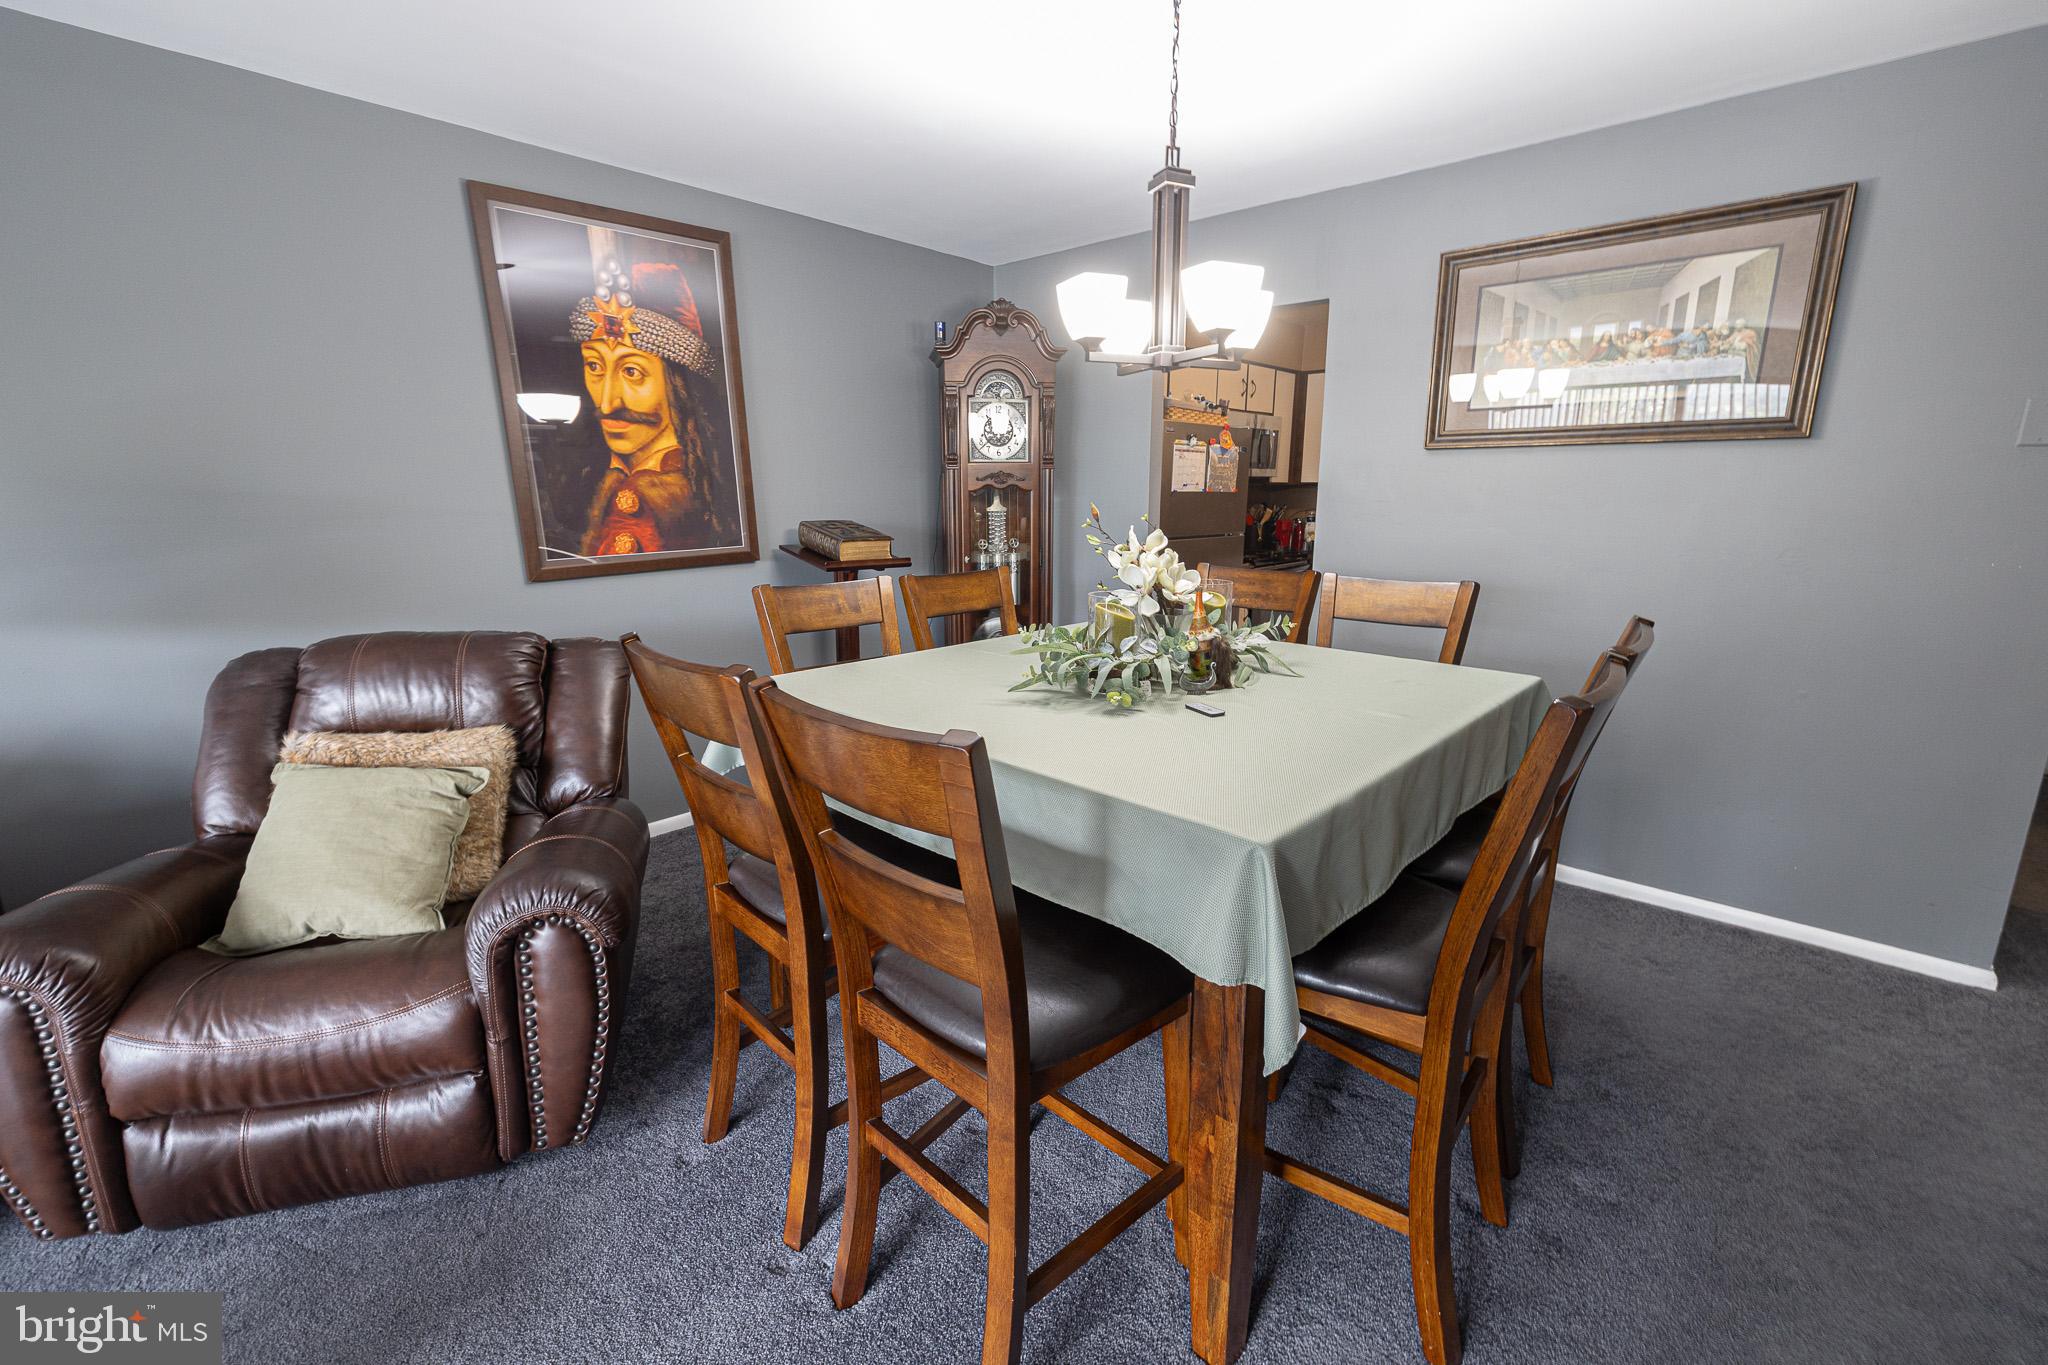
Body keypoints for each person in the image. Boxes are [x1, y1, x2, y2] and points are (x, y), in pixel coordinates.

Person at [568, 259, 738, 558]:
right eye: (594, 366)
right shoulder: (612, 478)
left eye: (632, 372)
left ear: (678, 387)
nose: (608, 403)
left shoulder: (642, 500)